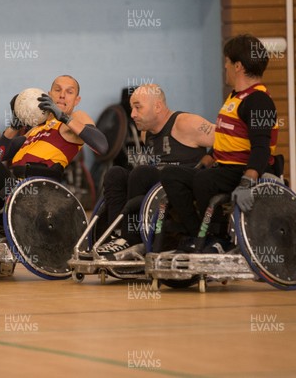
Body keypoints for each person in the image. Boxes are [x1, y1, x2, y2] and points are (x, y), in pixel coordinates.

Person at [0, 75, 108, 247]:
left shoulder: (76, 118)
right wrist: (14, 126)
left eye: (69, 92)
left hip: (36, 191)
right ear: (48, 94)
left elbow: (101, 146)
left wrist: (64, 117)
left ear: (77, 100)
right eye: (57, 90)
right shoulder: (36, 128)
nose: (62, 95)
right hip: (12, 187)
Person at [160, 34, 279, 254]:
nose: (224, 66)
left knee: (206, 180)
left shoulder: (259, 101)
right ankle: (198, 234)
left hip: (245, 171)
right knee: (170, 174)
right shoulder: (236, 97)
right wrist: (210, 156)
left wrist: (248, 181)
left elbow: (261, 147)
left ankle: (220, 237)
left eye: (226, 61)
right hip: (225, 168)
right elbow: (230, 137)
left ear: (238, 66)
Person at [98, 84, 215, 260]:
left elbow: (228, 141)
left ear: (158, 106)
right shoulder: (147, 134)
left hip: (182, 187)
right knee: (115, 174)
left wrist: (209, 160)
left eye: (138, 107)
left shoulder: (186, 123)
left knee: (142, 173)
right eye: (132, 109)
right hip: (157, 189)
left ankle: (134, 240)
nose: (132, 115)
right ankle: (119, 235)